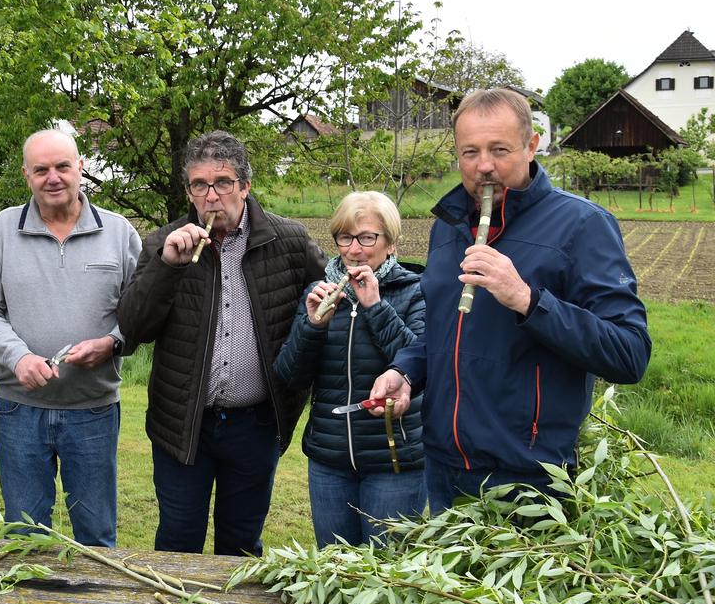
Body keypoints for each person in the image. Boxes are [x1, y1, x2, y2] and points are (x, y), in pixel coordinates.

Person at [369, 89, 652, 512]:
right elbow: (448, 334)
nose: (484, 166)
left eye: (499, 150)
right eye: (470, 152)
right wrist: (407, 372)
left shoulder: (583, 225)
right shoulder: (447, 227)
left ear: (532, 145)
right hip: (444, 468)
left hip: (531, 480)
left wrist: (525, 298)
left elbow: (629, 354)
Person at [117, 130, 326, 556]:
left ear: (245, 187)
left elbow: (328, 296)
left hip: (257, 424)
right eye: (200, 185)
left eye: (223, 183)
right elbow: (133, 328)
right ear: (189, 191)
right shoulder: (164, 243)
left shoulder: (288, 241)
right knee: (178, 541)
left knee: (242, 544)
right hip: (184, 425)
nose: (211, 196)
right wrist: (167, 268)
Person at [0, 129, 141, 547]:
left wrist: (112, 343)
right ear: (26, 175)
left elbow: (141, 315)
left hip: (94, 410)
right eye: (41, 169)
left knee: (97, 535)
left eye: (63, 166)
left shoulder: (119, 233)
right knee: (25, 534)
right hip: (20, 410)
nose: (54, 177)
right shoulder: (4, 229)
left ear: (81, 168)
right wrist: (17, 357)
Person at [273, 191, 426, 547]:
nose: (354, 250)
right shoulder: (319, 292)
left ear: (390, 242)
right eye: (345, 237)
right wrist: (312, 326)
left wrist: (375, 306)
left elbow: (419, 366)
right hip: (329, 459)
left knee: (388, 575)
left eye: (367, 238)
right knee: (334, 569)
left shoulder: (414, 291)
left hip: (395, 461)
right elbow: (290, 376)